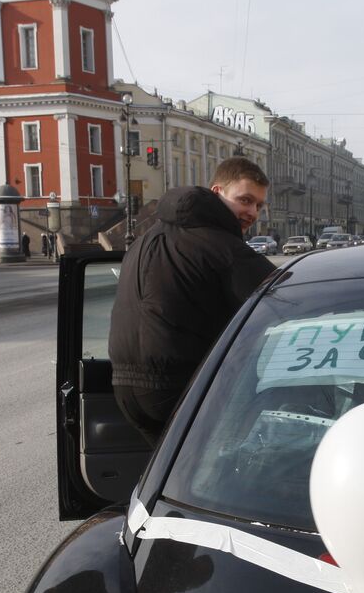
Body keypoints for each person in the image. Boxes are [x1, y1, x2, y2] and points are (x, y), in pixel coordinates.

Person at [109, 156, 275, 444]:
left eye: (259, 205)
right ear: (216, 192)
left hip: (124, 389)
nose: (252, 212)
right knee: (226, 472)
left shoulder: (146, 239)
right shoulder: (220, 245)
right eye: (245, 200)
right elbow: (282, 296)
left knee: (166, 479)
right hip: (178, 388)